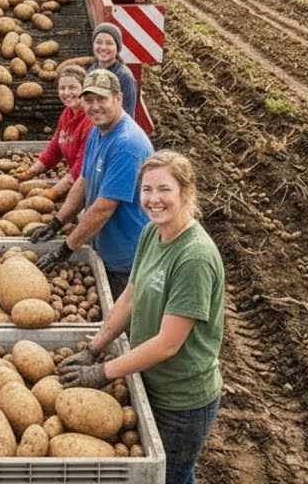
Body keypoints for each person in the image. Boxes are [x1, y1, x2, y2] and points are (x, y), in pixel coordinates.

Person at [57, 150, 223, 484]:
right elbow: (130, 297)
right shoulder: (151, 233)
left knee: (171, 477)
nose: (153, 199)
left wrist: (102, 372)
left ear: (187, 192)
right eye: (146, 190)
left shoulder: (194, 257)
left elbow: (167, 344)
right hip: (148, 380)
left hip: (181, 400)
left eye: (164, 189)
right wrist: (94, 347)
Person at [29, 69, 152, 298]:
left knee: (125, 317)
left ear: (119, 98)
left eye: (102, 99)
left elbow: (104, 207)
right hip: (106, 247)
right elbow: (83, 180)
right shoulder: (98, 131)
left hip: (128, 258)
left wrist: (65, 248)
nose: (95, 107)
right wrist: (57, 222)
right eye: (89, 100)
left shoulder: (127, 144)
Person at [15, 64, 92, 201]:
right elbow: (55, 148)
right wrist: (30, 172)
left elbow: (83, 167)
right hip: (78, 184)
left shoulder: (91, 120)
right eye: (62, 88)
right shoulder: (67, 114)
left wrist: (53, 192)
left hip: (92, 185)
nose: (66, 93)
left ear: (84, 89)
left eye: (72, 87)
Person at [87, 22, 138, 118]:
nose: (103, 47)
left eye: (109, 43)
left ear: (117, 48)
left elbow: (128, 114)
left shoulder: (124, 77)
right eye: (98, 42)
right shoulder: (91, 70)